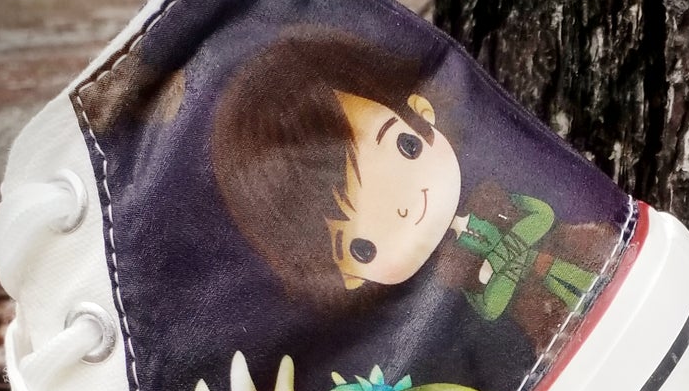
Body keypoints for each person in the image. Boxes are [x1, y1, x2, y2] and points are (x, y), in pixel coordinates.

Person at [212, 27, 619, 350]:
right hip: (547, 332)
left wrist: (511, 250)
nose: (405, 210)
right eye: (362, 248)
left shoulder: (491, 197)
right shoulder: (449, 274)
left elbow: (541, 213)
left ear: (422, 112)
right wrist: (507, 269)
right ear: (347, 278)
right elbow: (490, 306)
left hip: (591, 255)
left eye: (405, 147)